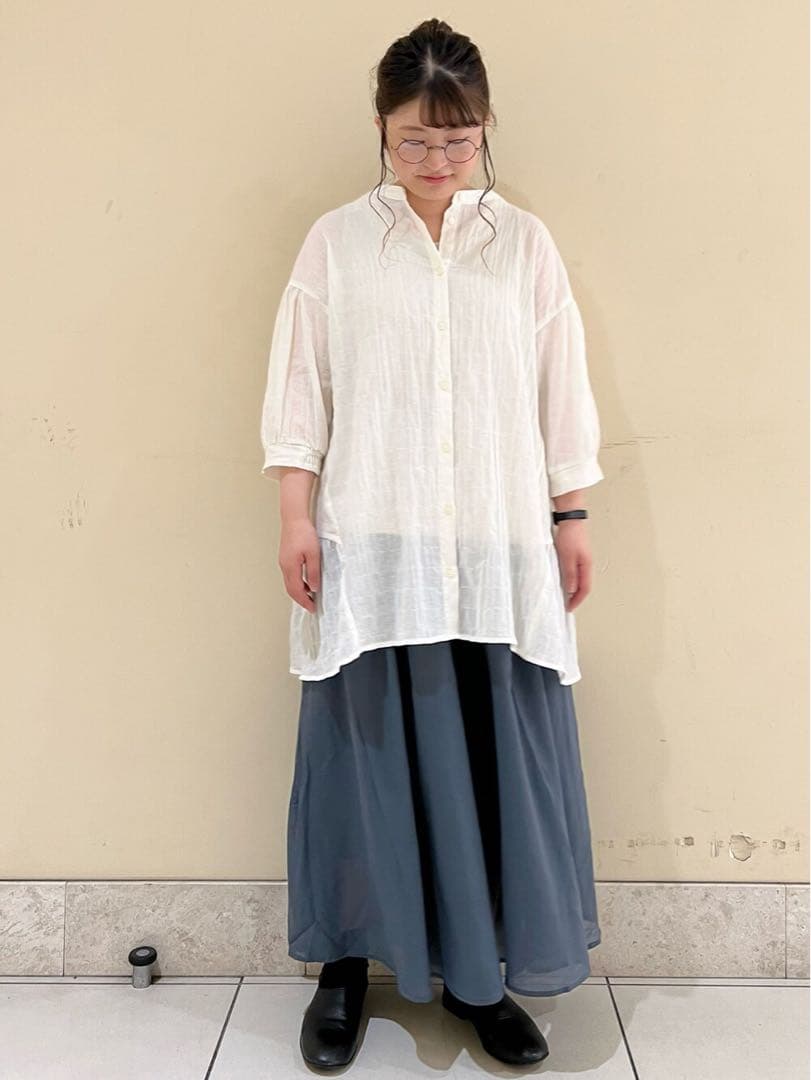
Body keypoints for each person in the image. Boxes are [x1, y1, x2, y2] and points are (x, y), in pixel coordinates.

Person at [259, 18, 604, 1071]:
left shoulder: (522, 244)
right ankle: (343, 971)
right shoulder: (336, 243)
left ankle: (477, 979)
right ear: (380, 128)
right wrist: (294, 515)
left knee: (493, 770)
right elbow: (301, 389)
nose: (438, 160)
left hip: (494, 544)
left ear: (484, 129)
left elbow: (558, 386)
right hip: (375, 544)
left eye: (458, 140)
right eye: (415, 139)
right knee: (363, 769)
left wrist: (570, 516)